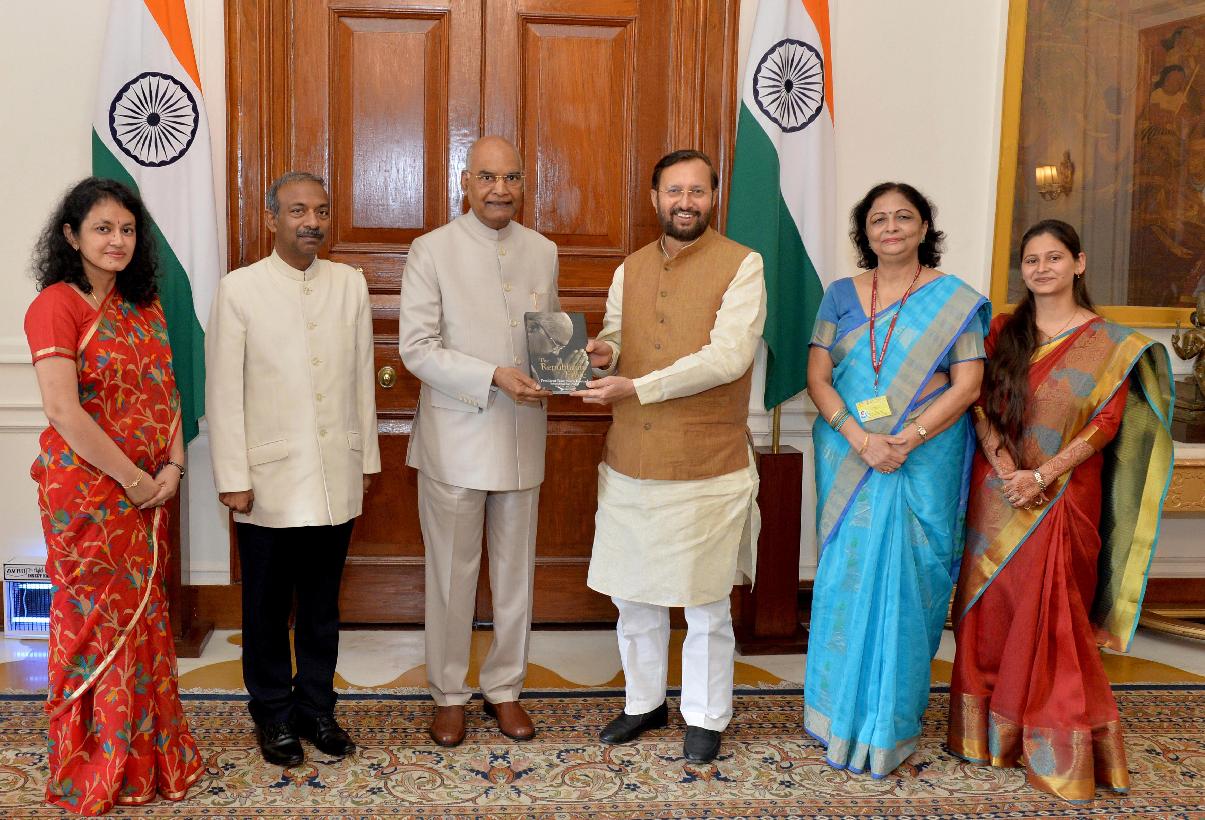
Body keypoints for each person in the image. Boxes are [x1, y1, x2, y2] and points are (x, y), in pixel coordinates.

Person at [948, 219, 1174, 801]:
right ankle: (987, 736)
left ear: (1079, 262)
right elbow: (978, 403)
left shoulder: (1111, 344)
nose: (1042, 268)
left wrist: (1042, 476)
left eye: (1054, 257)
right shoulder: (1002, 330)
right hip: (997, 489)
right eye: (1032, 259)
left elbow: (1107, 422)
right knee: (991, 609)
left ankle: (1055, 738)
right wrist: (1007, 470)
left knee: (1053, 614)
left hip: (1065, 493)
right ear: (1021, 270)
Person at [575, 149, 766, 764]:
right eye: (674, 191)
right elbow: (617, 335)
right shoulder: (629, 267)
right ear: (655, 198)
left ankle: (706, 715)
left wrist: (637, 385)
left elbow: (728, 358)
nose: (686, 202)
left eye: (697, 191)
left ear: (714, 197)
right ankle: (643, 702)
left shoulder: (743, 264)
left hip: (706, 461)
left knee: (705, 600)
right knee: (633, 594)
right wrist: (604, 353)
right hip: (631, 456)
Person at [25, 177, 203, 814]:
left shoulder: (143, 304)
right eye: (102, 228)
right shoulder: (56, 305)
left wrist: (174, 466)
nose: (117, 240)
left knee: (145, 622)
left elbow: (169, 392)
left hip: (150, 491)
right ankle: (96, 764)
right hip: (90, 497)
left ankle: (148, 761)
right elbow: (63, 411)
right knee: (95, 628)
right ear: (71, 236)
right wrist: (133, 480)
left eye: (127, 229)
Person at [803, 182, 989, 777]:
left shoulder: (954, 299)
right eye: (878, 219)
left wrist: (908, 438)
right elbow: (818, 378)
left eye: (903, 217)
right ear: (865, 231)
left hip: (923, 456)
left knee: (910, 584)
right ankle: (836, 716)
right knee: (848, 577)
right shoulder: (839, 295)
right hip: (851, 453)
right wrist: (863, 439)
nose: (891, 228)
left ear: (924, 227)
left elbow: (968, 384)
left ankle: (890, 724)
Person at [206, 171, 380, 766]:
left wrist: (365, 458)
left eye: (321, 211)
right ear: (272, 219)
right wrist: (232, 476)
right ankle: (273, 713)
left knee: (322, 608)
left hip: (336, 475)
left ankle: (316, 708)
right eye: (298, 210)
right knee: (265, 608)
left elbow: (362, 377)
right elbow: (223, 391)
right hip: (267, 483)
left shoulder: (349, 284)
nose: (312, 222)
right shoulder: (240, 289)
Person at [399, 136, 559, 747]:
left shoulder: (542, 250)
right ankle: (448, 693)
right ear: (465, 183)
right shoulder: (432, 249)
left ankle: (505, 688)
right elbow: (417, 348)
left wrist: (576, 363)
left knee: (516, 574)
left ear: (524, 184)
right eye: (488, 177)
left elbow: (548, 339)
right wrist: (492, 374)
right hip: (456, 439)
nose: (500, 189)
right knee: (450, 577)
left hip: (522, 436)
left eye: (511, 177)